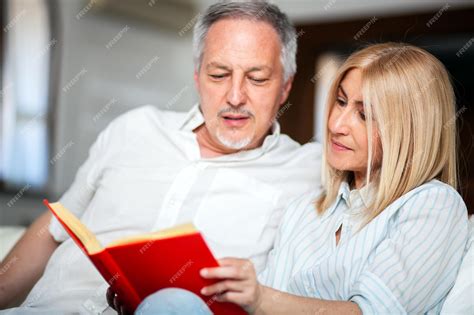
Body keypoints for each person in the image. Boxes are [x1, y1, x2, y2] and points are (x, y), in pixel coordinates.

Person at [0, 1, 322, 314]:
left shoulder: (309, 170)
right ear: (197, 77)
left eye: (257, 78)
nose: (235, 97)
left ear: (285, 87)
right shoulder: (134, 128)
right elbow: (55, 228)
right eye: (219, 74)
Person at [132, 43, 470, 314]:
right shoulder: (304, 212)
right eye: (340, 102)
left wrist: (261, 298)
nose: (338, 124)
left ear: (410, 133)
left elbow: (370, 312)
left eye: (365, 115)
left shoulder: (432, 205)